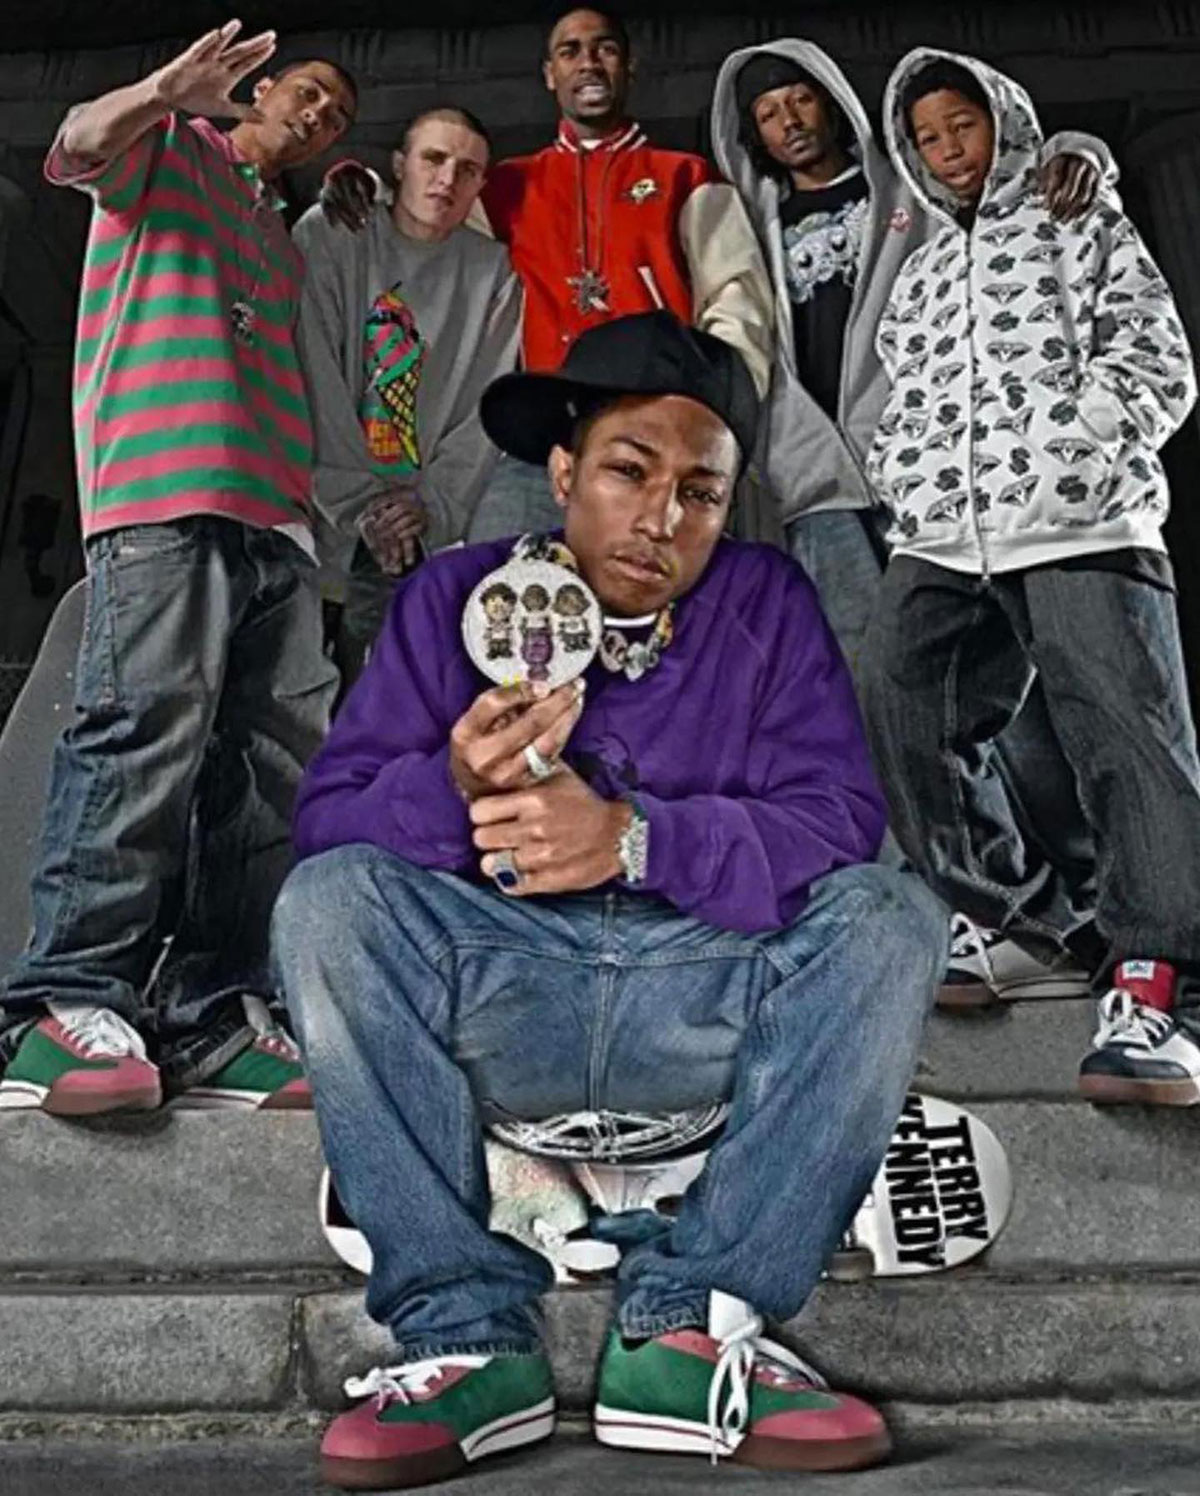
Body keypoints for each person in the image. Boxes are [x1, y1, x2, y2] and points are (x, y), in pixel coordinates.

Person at [272, 311, 947, 1488]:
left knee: (894, 919)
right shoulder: (454, 597)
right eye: (630, 471)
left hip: (700, 991)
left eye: (702, 492)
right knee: (329, 902)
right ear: (564, 470)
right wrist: (451, 785)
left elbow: (840, 818)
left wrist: (635, 839)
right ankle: (463, 1332)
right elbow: (327, 823)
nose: (663, 517)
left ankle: (694, 1322)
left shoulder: (765, 600)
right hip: (506, 988)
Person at [709, 39, 1114, 1006]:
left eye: (803, 100)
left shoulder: (909, 183)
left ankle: (1094, 894)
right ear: (751, 133)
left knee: (1009, 693)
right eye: (768, 113)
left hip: (942, 471)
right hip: (818, 486)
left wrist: (1084, 151)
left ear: (835, 102)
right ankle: (977, 906)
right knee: (890, 704)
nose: (790, 121)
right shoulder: (746, 217)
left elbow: (1013, 169)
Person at [0, 23, 356, 1114]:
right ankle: (59, 1003)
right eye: (309, 93)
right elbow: (78, 140)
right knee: (141, 731)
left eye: (338, 116)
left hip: (275, 519)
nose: (319, 116)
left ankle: (212, 1013)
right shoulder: (168, 152)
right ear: (262, 88)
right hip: (164, 492)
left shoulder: (282, 233)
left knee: (267, 772)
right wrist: (163, 91)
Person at [860, 49, 1200, 1102]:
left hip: (1085, 519)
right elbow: (898, 394)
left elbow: (1155, 356)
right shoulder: (919, 271)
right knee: (902, 701)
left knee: (1127, 741)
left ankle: (1162, 986)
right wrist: (906, 478)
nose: (947, 151)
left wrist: (1077, 444)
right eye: (926, 138)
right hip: (946, 534)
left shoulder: (1076, 215)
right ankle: (1021, 920)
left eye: (961, 126)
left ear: (1003, 120)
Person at [323, 7, 775, 543]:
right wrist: (363, 185)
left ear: (630, 67)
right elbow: (426, 218)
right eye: (570, 51)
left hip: (656, 434)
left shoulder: (686, 175)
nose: (589, 62)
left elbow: (737, 299)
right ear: (549, 74)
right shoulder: (505, 185)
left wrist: (715, 417)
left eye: (605, 49)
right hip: (539, 438)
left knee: (652, 586)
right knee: (499, 580)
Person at [294, 105, 522, 683]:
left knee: (384, 697)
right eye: (433, 159)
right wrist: (357, 503)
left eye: (467, 170)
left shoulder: (495, 272)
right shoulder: (336, 233)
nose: (447, 180)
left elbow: (486, 403)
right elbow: (311, 371)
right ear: (399, 164)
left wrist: (433, 506)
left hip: (410, 531)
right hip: (310, 512)